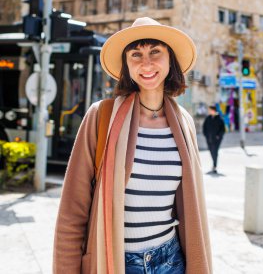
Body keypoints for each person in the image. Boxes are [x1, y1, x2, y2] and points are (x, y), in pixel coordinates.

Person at [53, 17, 212, 274]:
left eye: (155, 52)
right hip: (117, 261)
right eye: (135, 54)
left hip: (170, 260)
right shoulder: (101, 116)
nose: (146, 63)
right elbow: (72, 213)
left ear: (170, 60)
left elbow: (190, 207)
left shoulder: (184, 123)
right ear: (127, 65)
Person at [203, 105, 225, 173]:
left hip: (216, 140)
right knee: (211, 151)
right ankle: (214, 164)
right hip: (209, 139)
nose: (209, 111)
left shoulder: (219, 119)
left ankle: (215, 166)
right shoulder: (208, 118)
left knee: (215, 151)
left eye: (210, 110)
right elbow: (204, 127)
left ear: (213, 110)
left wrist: (218, 136)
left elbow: (223, 129)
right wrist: (206, 135)